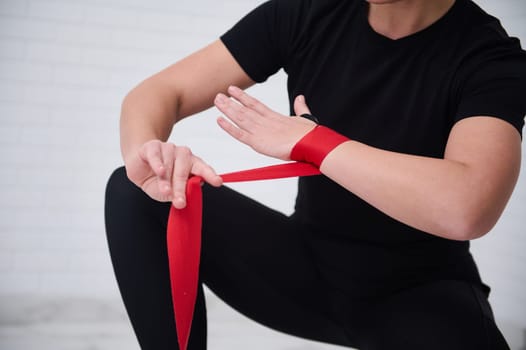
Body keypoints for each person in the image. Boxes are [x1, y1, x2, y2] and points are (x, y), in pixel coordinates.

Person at [104, 0, 526, 348]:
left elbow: (468, 204)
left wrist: (316, 144)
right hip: (305, 270)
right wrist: (153, 157)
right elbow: (158, 94)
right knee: (135, 190)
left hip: (421, 293)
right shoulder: (308, 12)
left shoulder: (488, 56)